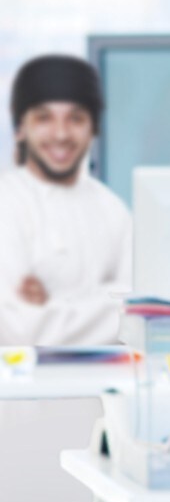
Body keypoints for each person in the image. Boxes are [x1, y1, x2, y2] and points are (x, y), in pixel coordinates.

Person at [0, 54, 131, 346]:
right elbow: (17, 329)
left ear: (93, 128)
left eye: (76, 118)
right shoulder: (6, 202)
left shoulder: (113, 209)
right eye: (44, 118)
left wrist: (53, 304)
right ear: (20, 128)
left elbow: (145, 317)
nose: (60, 134)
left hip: (108, 375)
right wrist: (113, 301)